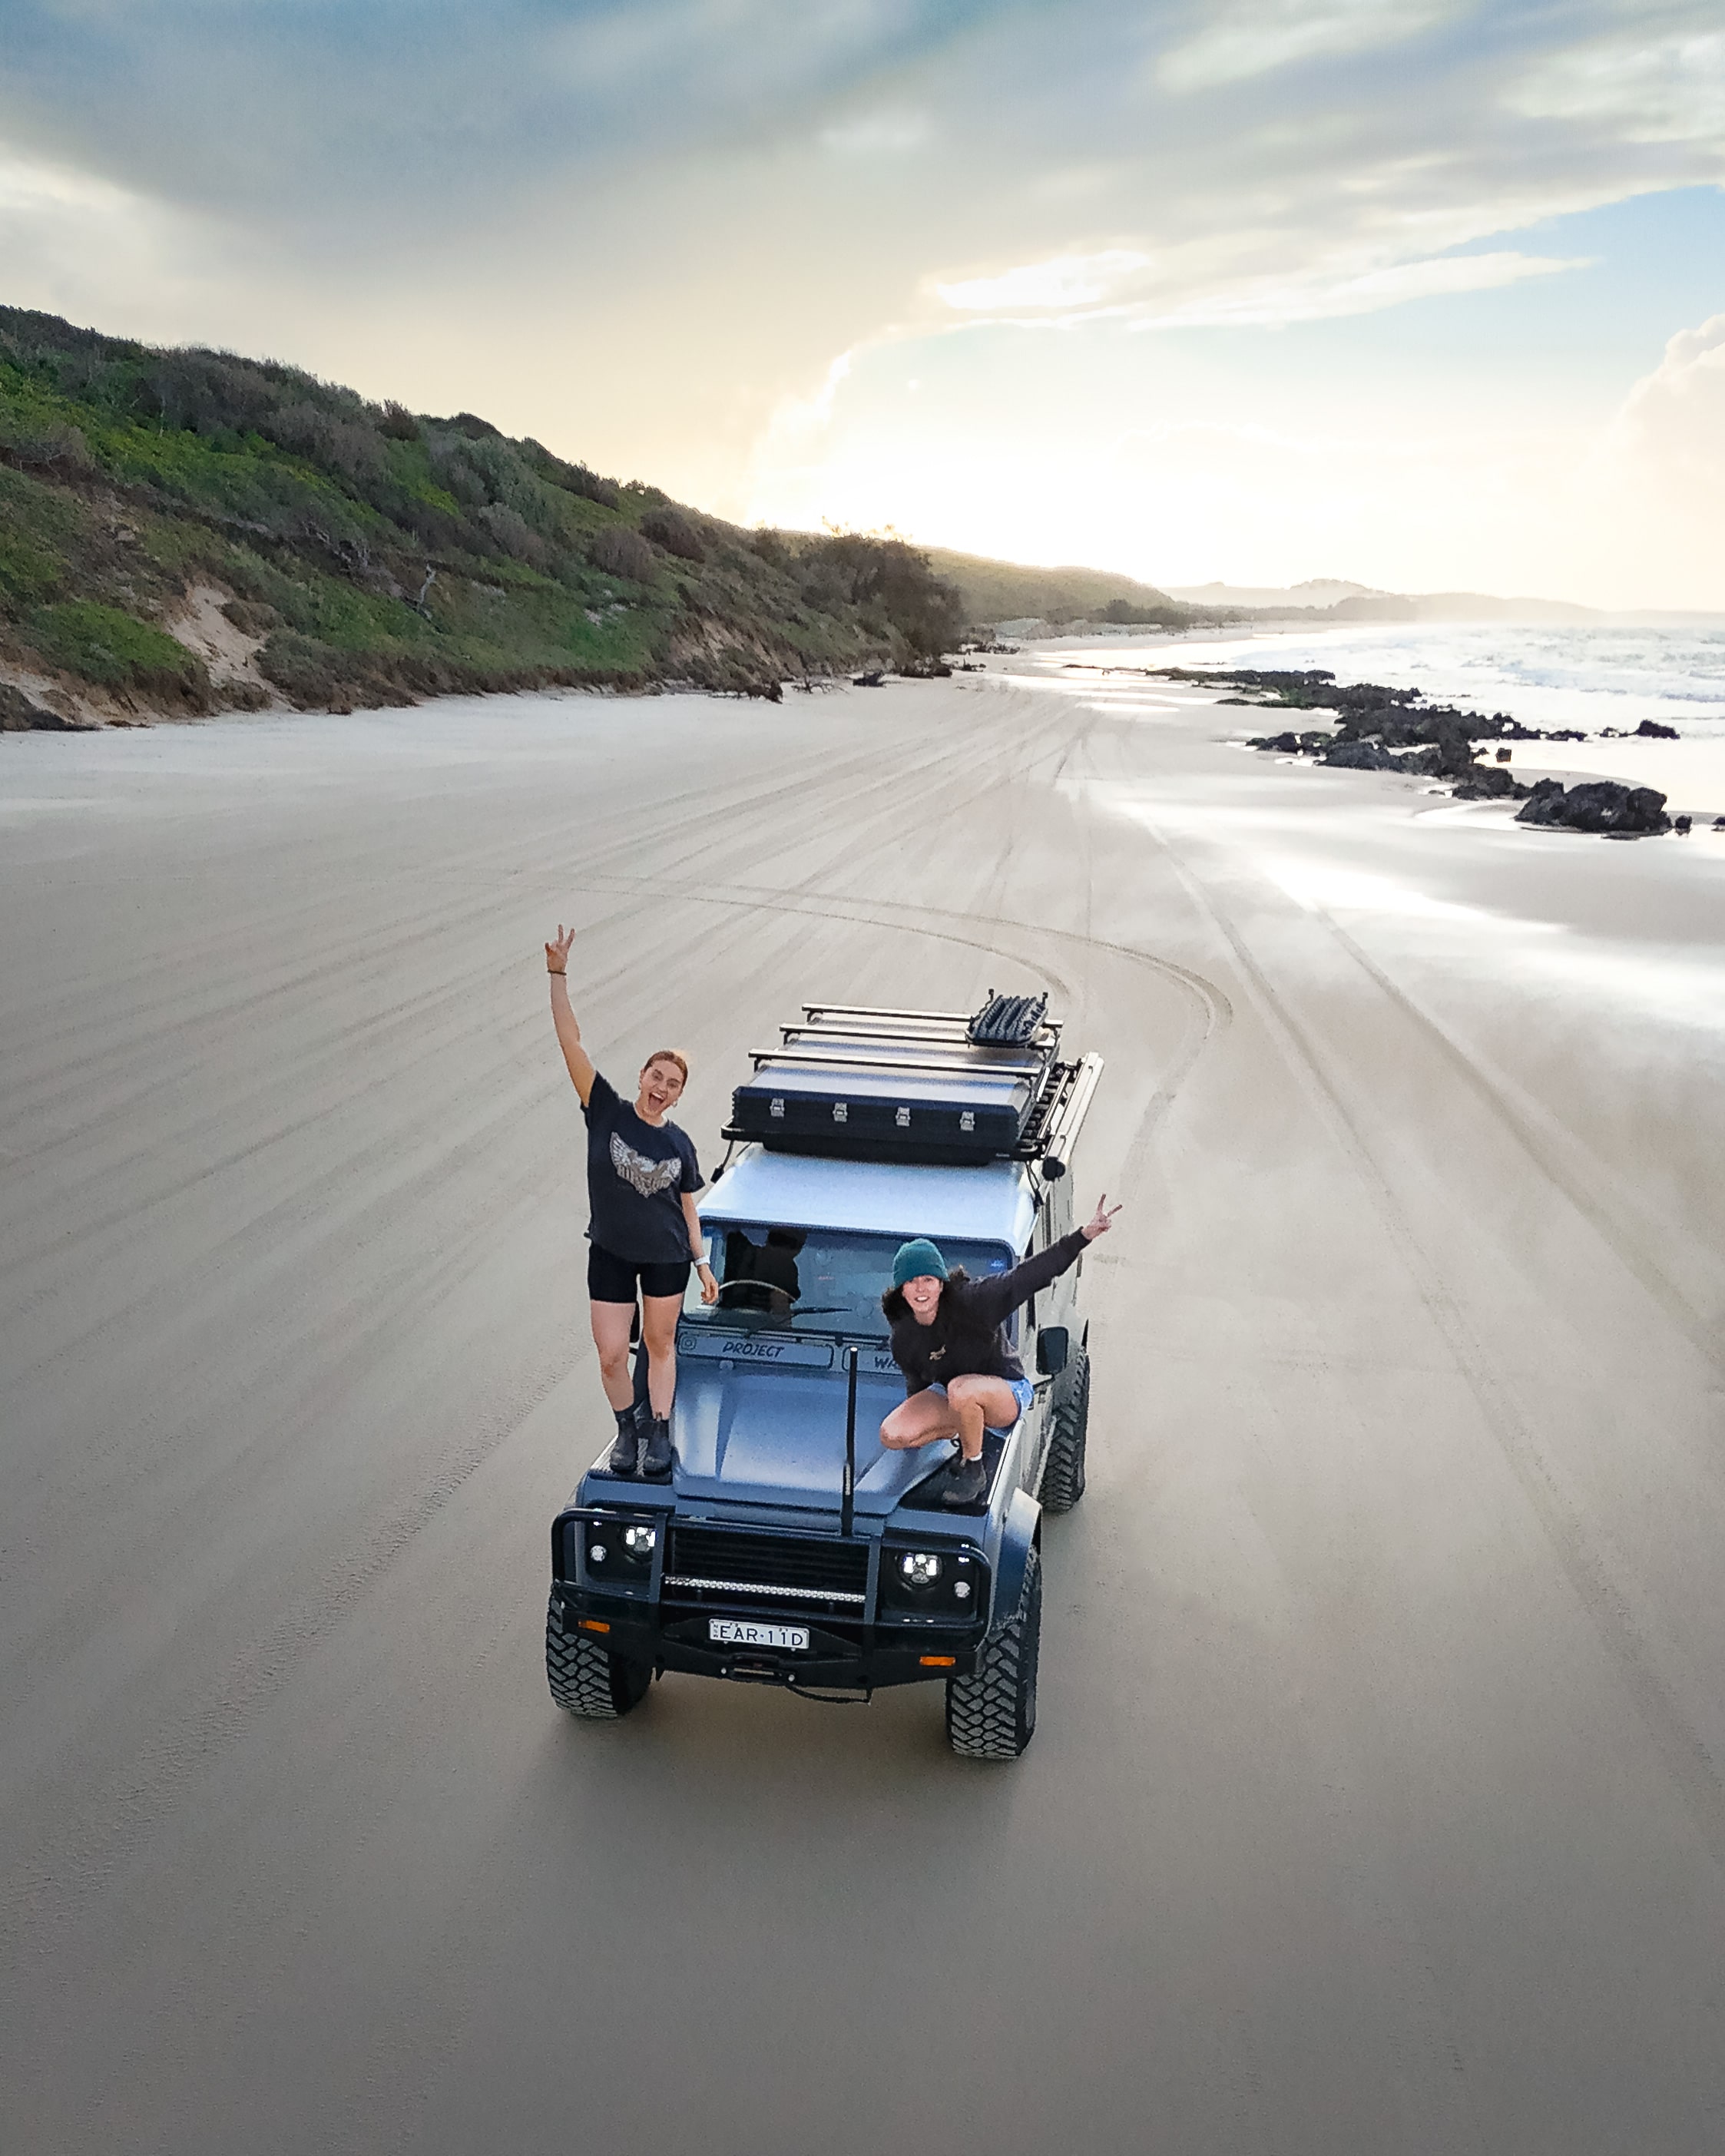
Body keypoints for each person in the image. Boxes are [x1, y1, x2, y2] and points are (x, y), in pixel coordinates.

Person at [545, 923, 717, 1476]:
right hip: (612, 1253)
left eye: (674, 1083)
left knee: (660, 1345)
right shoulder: (606, 1110)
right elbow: (571, 1041)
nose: (662, 1086)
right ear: (641, 1074)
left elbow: (688, 1207)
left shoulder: (679, 1144)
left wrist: (703, 1262)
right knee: (613, 1354)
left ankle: (659, 1432)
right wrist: (557, 975)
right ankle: (628, 1427)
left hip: (667, 1256)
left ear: (679, 1094)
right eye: (657, 1075)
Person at [879, 1197, 1120, 1506]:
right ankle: (970, 1428)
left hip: (1006, 1390)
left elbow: (1028, 1276)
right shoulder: (903, 1338)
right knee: (893, 1434)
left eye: (928, 1279)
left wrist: (1083, 1236)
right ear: (901, 1289)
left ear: (941, 1283)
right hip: (956, 1397)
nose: (921, 1289)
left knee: (961, 1389)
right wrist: (921, 1422)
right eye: (912, 1282)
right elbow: (917, 1386)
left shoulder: (975, 1301)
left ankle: (973, 1468)